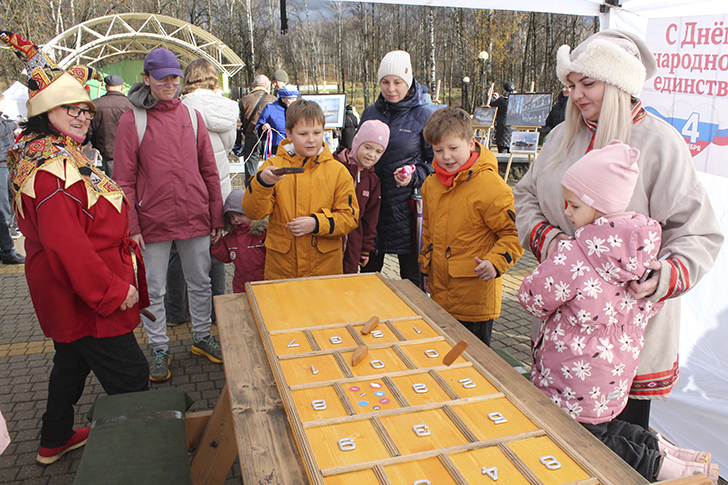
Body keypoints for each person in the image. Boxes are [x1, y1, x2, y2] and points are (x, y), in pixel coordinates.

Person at [514, 30, 723, 431]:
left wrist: (664, 275)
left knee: (618, 451)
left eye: (588, 83)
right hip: (561, 345)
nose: (576, 95)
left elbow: (700, 233)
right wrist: (549, 240)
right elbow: (525, 196)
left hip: (626, 345)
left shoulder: (660, 143)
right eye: (571, 84)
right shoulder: (561, 136)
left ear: (618, 83)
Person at [518, 140, 718, 483]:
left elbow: (532, 297)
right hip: (615, 372)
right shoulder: (645, 254)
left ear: (598, 208)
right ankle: (675, 454)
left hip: (570, 373)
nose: (566, 212)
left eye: (574, 204)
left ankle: (666, 469)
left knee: (586, 439)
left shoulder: (575, 254)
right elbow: (653, 304)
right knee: (605, 425)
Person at [1, 31, 149, 464]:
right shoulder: (51, 169)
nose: (83, 117)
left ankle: (55, 437)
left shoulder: (59, 153)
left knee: (71, 363)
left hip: (74, 289)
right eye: (72, 109)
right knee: (132, 375)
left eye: (85, 109)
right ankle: (141, 460)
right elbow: (66, 245)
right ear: (45, 111)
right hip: (83, 292)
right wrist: (112, 291)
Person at [114, 48, 225, 382]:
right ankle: (159, 347)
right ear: (146, 78)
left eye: (174, 77)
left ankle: (202, 336)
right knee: (154, 289)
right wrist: (132, 225)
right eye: (162, 78)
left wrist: (216, 216)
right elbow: (123, 179)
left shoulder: (192, 116)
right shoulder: (132, 119)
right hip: (152, 222)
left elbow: (210, 170)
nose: (169, 83)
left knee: (201, 282)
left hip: (194, 217)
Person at [420, 107, 523, 346]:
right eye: (438, 150)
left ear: (471, 143)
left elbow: (515, 233)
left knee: (473, 360)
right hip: (439, 294)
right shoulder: (431, 184)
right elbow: (429, 231)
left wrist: (495, 263)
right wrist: (426, 269)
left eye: (453, 148)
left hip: (474, 299)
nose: (446, 157)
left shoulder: (491, 186)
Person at [243, 99, 358, 280]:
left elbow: (349, 218)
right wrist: (263, 183)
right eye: (303, 134)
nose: (311, 139)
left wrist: (316, 223)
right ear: (289, 133)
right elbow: (253, 212)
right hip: (283, 268)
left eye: (317, 132)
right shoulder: (272, 167)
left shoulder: (338, 172)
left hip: (324, 268)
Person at [171, 58, 238, 321]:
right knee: (217, 245)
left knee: (177, 250)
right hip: (219, 181)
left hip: (189, 186)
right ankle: (217, 308)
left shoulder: (181, 107)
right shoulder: (228, 107)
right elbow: (229, 146)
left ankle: (176, 311)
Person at [360, 50, 433, 285]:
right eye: (385, 82)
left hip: (407, 211)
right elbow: (356, 151)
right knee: (368, 278)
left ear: (408, 82)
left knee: (412, 280)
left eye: (397, 82)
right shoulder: (370, 112)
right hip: (372, 207)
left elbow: (435, 162)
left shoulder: (424, 115)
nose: (391, 89)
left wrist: (415, 174)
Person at [333, 120, 389, 274]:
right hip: (329, 240)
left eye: (378, 151)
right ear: (357, 142)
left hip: (353, 245)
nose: (371, 155)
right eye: (367, 147)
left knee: (347, 283)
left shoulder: (372, 180)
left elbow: (370, 218)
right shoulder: (334, 166)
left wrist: (365, 248)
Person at [210, 189, 267, 293]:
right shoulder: (229, 238)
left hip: (264, 284)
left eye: (240, 214)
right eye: (231, 217)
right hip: (241, 286)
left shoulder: (262, 234)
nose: (235, 219)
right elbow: (225, 257)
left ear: (250, 212)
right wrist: (216, 244)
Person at [87, 74, 133, 177]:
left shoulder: (95, 105)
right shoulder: (131, 104)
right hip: (129, 151)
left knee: (112, 181)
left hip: (106, 150)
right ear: (121, 86)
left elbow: (89, 128)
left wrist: (89, 142)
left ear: (106, 87)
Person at [0, 95, 25, 264]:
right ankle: (8, 251)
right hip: (2, 166)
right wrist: (14, 124)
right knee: (3, 210)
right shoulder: (5, 123)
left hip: (5, 165)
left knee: (7, 206)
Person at [238, 75, 276, 183]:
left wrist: (238, 142)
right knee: (271, 168)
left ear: (253, 85)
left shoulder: (244, 100)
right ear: (267, 86)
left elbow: (238, 123)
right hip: (269, 138)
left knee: (250, 170)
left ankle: (251, 189)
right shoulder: (273, 100)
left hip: (251, 137)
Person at [255, 86, 299, 161]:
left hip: (297, 149)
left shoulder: (300, 109)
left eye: (294, 99)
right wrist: (263, 127)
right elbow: (259, 127)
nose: (293, 102)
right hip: (276, 150)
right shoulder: (270, 108)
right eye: (290, 99)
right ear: (282, 98)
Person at [490, 81, 516, 153]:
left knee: (503, 147)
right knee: (511, 148)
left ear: (505, 90)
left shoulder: (502, 99)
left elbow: (491, 104)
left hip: (503, 126)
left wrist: (490, 95)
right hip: (513, 126)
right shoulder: (516, 99)